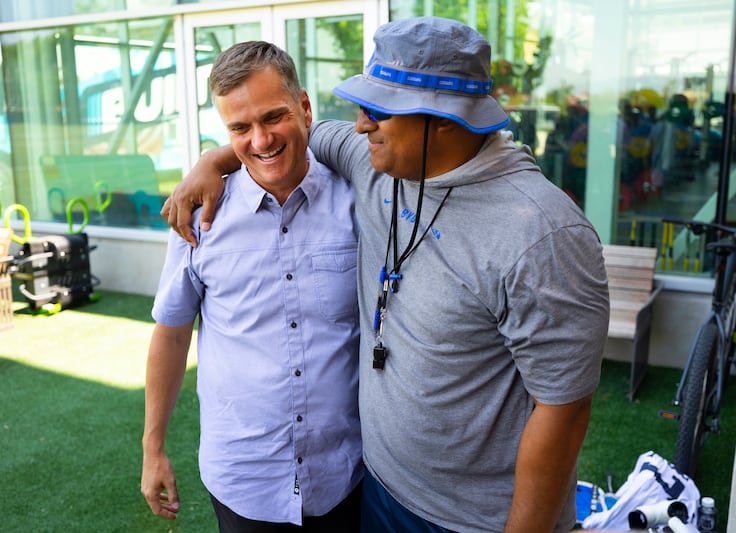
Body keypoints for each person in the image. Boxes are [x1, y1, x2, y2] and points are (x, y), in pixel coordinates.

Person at [163, 17, 610, 533]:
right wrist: (213, 161)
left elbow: (563, 411)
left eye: (378, 110)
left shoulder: (543, 234)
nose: (360, 125)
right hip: (375, 489)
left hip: (471, 521)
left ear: (444, 119)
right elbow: (288, 135)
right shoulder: (375, 159)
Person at [141, 41, 363, 532]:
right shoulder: (197, 218)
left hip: (346, 474)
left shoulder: (357, 201)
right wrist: (152, 447)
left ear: (304, 107)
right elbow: (172, 335)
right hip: (245, 479)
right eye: (239, 128)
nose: (261, 140)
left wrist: (215, 157)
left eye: (273, 117)